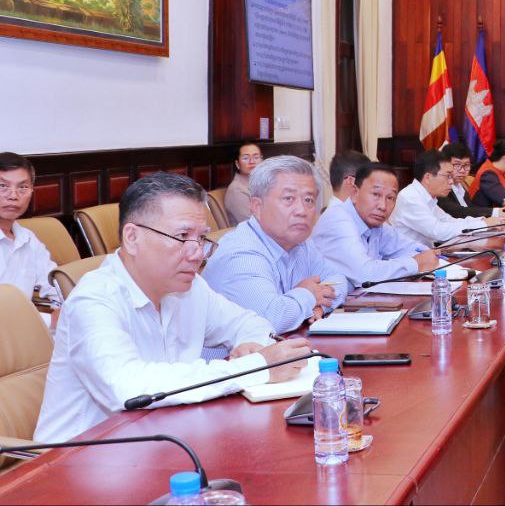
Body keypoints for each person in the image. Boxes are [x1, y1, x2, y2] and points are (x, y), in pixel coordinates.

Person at [34, 173, 312, 444]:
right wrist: (254, 367)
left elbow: (251, 323)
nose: (197, 253)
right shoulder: (94, 299)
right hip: (79, 456)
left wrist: (250, 345)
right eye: (182, 236)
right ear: (132, 237)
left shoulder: (190, 289)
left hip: (162, 437)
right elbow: (129, 390)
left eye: (201, 238)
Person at [204, 156, 349, 337]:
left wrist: (318, 306)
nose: (301, 211)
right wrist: (307, 295)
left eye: (309, 200)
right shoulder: (241, 252)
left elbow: (338, 280)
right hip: (237, 355)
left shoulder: (301, 243)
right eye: (289, 198)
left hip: (280, 348)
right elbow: (272, 319)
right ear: (257, 206)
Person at [312, 162, 438, 288]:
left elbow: (415, 250)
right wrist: (415, 263)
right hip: (328, 299)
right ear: (355, 193)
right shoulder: (337, 220)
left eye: (390, 198)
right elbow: (365, 274)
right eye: (376, 194)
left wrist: (425, 257)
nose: (383, 206)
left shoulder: (376, 224)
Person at [390, 150, 504, 246]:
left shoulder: (426, 197)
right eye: (448, 176)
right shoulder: (410, 198)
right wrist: (483, 225)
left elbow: (450, 221)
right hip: (412, 261)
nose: (451, 182)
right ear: (428, 177)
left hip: (427, 256)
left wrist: (483, 221)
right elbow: (438, 231)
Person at [0, 152, 58, 303]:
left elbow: (55, 285)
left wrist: (59, 307)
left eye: (23, 187)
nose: (13, 196)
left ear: (32, 191)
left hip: (26, 317)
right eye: (2, 186)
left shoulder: (28, 239)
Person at [439, 142, 500, 219]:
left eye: (466, 165)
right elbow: (458, 212)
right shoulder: (440, 187)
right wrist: (495, 212)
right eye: (457, 165)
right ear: (445, 164)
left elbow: (471, 209)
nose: (462, 170)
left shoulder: (460, 185)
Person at [222, 142, 262, 225]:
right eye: (246, 158)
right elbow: (252, 224)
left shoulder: (263, 183)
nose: (252, 161)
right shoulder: (236, 190)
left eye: (256, 157)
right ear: (237, 164)